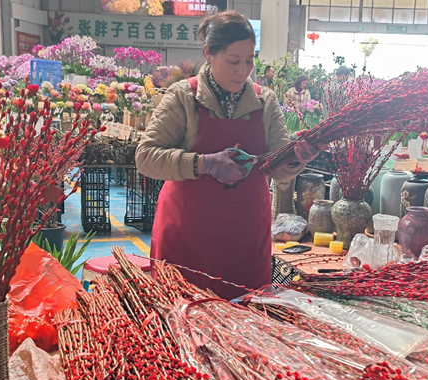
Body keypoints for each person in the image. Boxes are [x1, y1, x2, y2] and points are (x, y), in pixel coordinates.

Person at [135, 11, 324, 299]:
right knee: (185, 315)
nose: (243, 70)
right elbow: (146, 157)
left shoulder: (265, 101)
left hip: (245, 235)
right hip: (188, 232)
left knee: (244, 317)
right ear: (208, 53)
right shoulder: (183, 97)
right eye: (233, 61)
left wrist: (298, 157)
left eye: (249, 61)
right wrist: (205, 164)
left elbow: (278, 168)